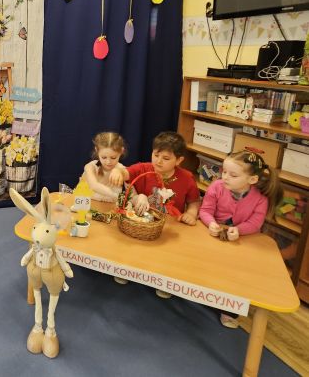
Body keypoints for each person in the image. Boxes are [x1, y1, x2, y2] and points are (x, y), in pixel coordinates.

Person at [199, 150, 282, 328]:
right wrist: (211, 223)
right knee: (206, 266)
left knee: (235, 276)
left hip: (241, 241)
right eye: (224, 172)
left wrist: (239, 230)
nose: (225, 177)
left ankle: (229, 310)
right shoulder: (217, 186)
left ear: (252, 179)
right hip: (212, 236)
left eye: (233, 175)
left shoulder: (260, 199)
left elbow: (255, 223)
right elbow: (205, 210)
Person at [119, 131, 201, 296]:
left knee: (169, 255)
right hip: (144, 226)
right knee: (133, 247)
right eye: (156, 155)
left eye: (166, 158)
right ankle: (126, 270)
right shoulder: (144, 168)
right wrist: (117, 172)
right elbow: (125, 173)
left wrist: (191, 214)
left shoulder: (186, 178)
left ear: (179, 160)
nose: (158, 161)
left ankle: (166, 281)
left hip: (170, 229)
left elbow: (194, 201)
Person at [81, 132, 127, 202]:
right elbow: (94, 185)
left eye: (113, 158)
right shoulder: (91, 167)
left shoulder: (123, 170)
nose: (108, 162)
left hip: (109, 207)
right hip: (87, 205)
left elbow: (132, 196)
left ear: (121, 151)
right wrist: (113, 195)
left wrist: (141, 197)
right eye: (104, 157)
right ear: (96, 150)